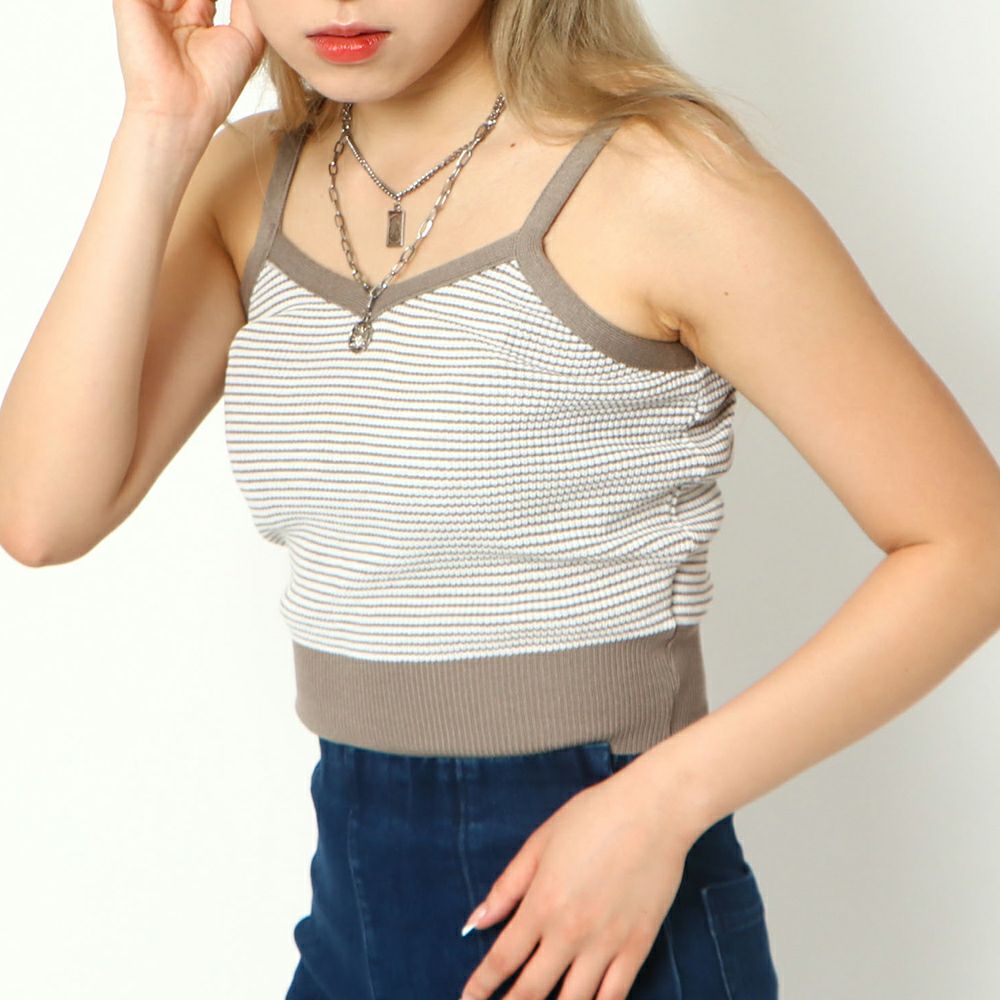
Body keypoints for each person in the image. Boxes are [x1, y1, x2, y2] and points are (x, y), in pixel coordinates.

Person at [3, 1, 1000, 997]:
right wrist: (158, 128)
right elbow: (42, 516)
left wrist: (661, 805)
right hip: (353, 903)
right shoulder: (245, 181)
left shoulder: (661, 183)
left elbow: (970, 544)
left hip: (598, 906)